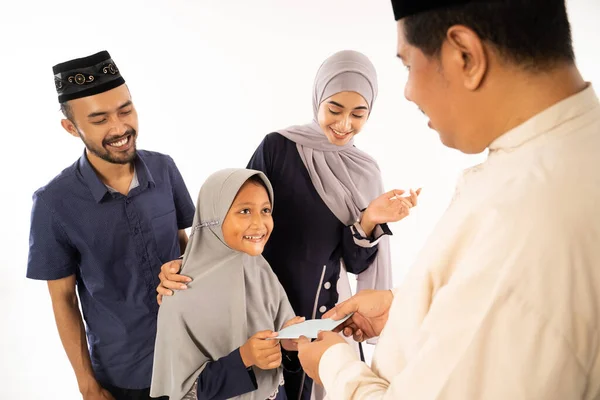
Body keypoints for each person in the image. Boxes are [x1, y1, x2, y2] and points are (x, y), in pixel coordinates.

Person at [295, 0, 600, 399]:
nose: (407, 92)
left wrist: (336, 364)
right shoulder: (567, 157)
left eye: (408, 65)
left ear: (464, 55)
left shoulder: (527, 217)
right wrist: (405, 308)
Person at [156, 50, 420, 400]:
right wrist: (187, 267)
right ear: (317, 100)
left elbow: (355, 264)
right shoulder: (278, 148)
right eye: (334, 109)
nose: (344, 124)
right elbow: (233, 210)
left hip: (317, 318)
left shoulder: (365, 170)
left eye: (358, 114)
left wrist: (370, 218)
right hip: (257, 303)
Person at [26, 50, 195, 400]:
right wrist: (87, 385)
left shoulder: (165, 170)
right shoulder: (53, 204)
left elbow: (185, 245)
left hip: (193, 356)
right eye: (100, 119)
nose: (119, 128)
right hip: (125, 375)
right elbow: (63, 300)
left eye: (125, 110)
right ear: (71, 127)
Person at [151, 169, 305, 400]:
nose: (260, 224)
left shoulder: (259, 269)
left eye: (265, 210)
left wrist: (289, 346)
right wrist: (244, 357)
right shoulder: (179, 290)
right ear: (213, 217)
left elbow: (280, 356)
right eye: (244, 211)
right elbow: (185, 393)